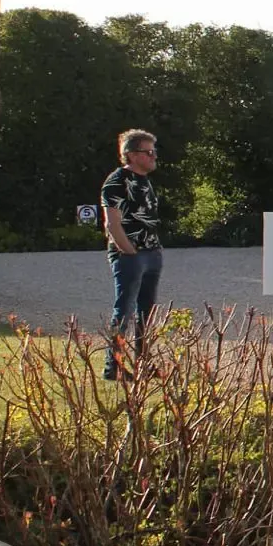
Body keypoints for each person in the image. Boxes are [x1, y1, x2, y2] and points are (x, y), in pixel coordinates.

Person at [100, 128, 164, 381]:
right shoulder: (116, 181)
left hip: (152, 253)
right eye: (147, 152)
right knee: (124, 311)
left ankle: (143, 363)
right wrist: (129, 251)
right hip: (130, 257)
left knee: (146, 313)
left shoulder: (145, 182)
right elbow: (111, 223)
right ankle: (112, 366)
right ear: (130, 154)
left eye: (153, 151)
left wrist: (153, 251)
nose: (153, 156)